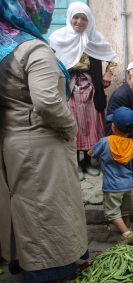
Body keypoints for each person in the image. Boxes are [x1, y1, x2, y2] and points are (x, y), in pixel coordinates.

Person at [0, 0, 88, 281]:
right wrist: (70, 126)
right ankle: (49, 273)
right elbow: (48, 101)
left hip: (13, 141)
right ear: (33, 12)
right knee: (48, 211)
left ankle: (23, 263)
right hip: (41, 145)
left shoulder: (4, 48)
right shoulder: (34, 49)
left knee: (25, 208)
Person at [49, 2, 119, 181]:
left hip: (91, 87)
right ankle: (76, 163)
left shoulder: (94, 37)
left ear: (89, 22)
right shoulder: (58, 38)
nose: (79, 22)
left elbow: (112, 56)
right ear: (70, 17)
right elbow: (49, 60)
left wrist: (108, 73)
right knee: (73, 123)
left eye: (84, 19)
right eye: (76, 17)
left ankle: (88, 161)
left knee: (91, 124)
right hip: (69, 86)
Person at [88, 107, 133, 245]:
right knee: (125, 210)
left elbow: (91, 153)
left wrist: (94, 154)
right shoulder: (132, 145)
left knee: (112, 213)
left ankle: (126, 234)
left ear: (114, 126)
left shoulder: (105, 142)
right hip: (127, 186)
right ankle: (127, 228)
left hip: (112, 187)